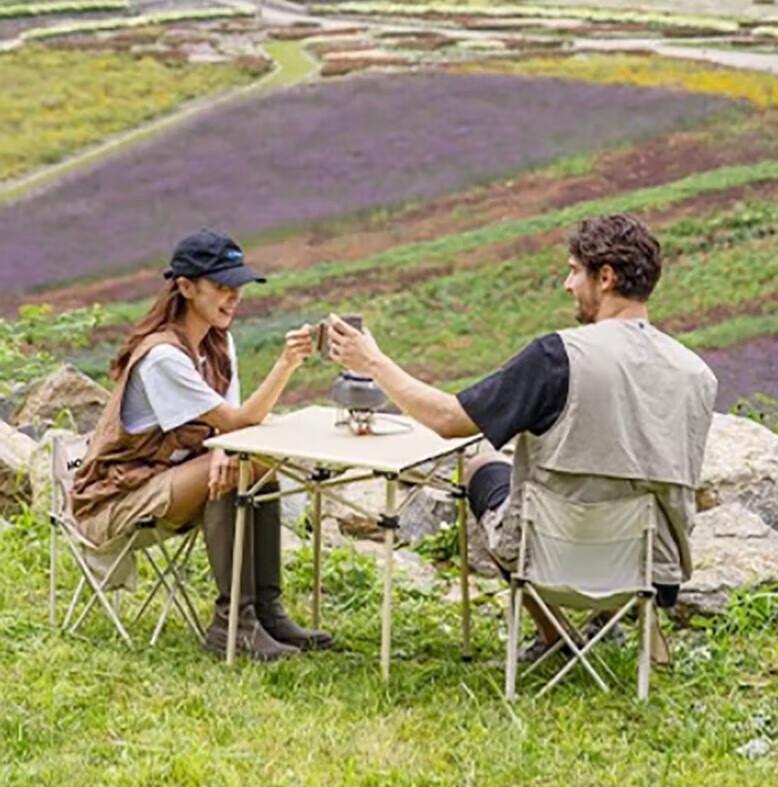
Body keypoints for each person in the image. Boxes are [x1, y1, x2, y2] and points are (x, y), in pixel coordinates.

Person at [328, 213, 717, 659]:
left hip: (554, 558)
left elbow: (449, 419)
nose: (567, 285)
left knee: (481, 467)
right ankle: (614, 623)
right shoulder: (697, 374)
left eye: (574, 271)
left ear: (606, 277)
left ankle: (554, 635)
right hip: (652, 564)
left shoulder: (559, 356)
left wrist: (372, 362)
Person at [71, 229, 332, 661]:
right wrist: (287, 363)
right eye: (222, 286)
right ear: (186, 287)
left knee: (251, 463)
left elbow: (229, 429)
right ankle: (234, 625)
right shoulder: (163, 357)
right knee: (241, 466)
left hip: (172, 480)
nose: (234, 297)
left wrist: (224, 449)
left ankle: (265, 614)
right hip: (116, 498)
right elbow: (239, 421)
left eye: (238, 286)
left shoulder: (217, 341)